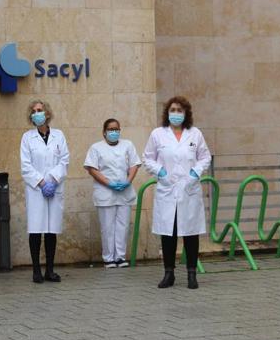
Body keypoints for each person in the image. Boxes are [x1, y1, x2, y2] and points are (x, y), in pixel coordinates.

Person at [143, 96, 211, 289]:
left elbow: (205, 157)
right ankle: (169, 273)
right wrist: (160, 172)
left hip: (189, 188)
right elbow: (147, 158)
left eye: (179, 110)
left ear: (186, 113)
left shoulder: (195, 134)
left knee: (191, 233)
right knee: (169, 233)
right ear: (167, 112)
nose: (175, 114)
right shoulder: (158, 134)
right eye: (172, 110)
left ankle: (191, 273)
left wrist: (195, 172)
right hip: (167, 188)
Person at [20, 100, 70, 283]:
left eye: (39, 110)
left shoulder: (59, 135)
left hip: (54, 188)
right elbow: (25, 166)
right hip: (36, 190)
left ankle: (50, 270)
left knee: (51, 230)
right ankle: (36, 271)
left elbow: (64, 161)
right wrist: (41, 183)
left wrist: (54, 181)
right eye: (33, 111)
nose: (36, 113)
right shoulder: (27, 138)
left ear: (47, 113)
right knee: (36, 229)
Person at [84, 119, 141, 268]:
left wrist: (128, 181)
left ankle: (120, 257)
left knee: (123, 225)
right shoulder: (96, 148)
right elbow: (92, 169)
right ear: (104, 132)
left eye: (116, 129)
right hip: (105, 192)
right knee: (107, 227)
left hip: (124, 191)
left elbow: (134, 164)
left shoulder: (127, 145)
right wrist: (108, 183)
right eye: (110, 129)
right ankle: (108, 258)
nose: (113, 132)